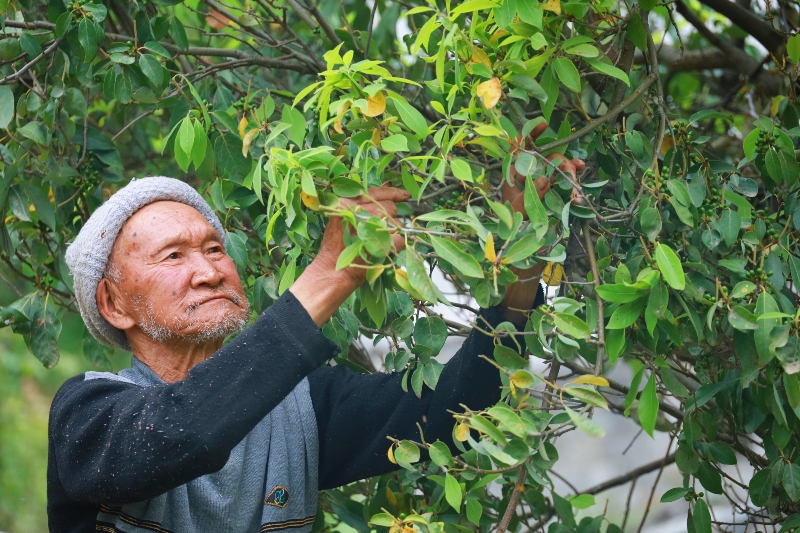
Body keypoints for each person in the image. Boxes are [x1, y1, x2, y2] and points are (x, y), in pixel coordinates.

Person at [47, 125, 583, 533]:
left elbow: (456, 411)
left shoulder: (300, 412)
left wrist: (521, 262)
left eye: (214, 248)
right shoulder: (88, 414)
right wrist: (330, 275)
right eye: (173, 255)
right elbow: (185, 432)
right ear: (114, 304)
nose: (210, 270)